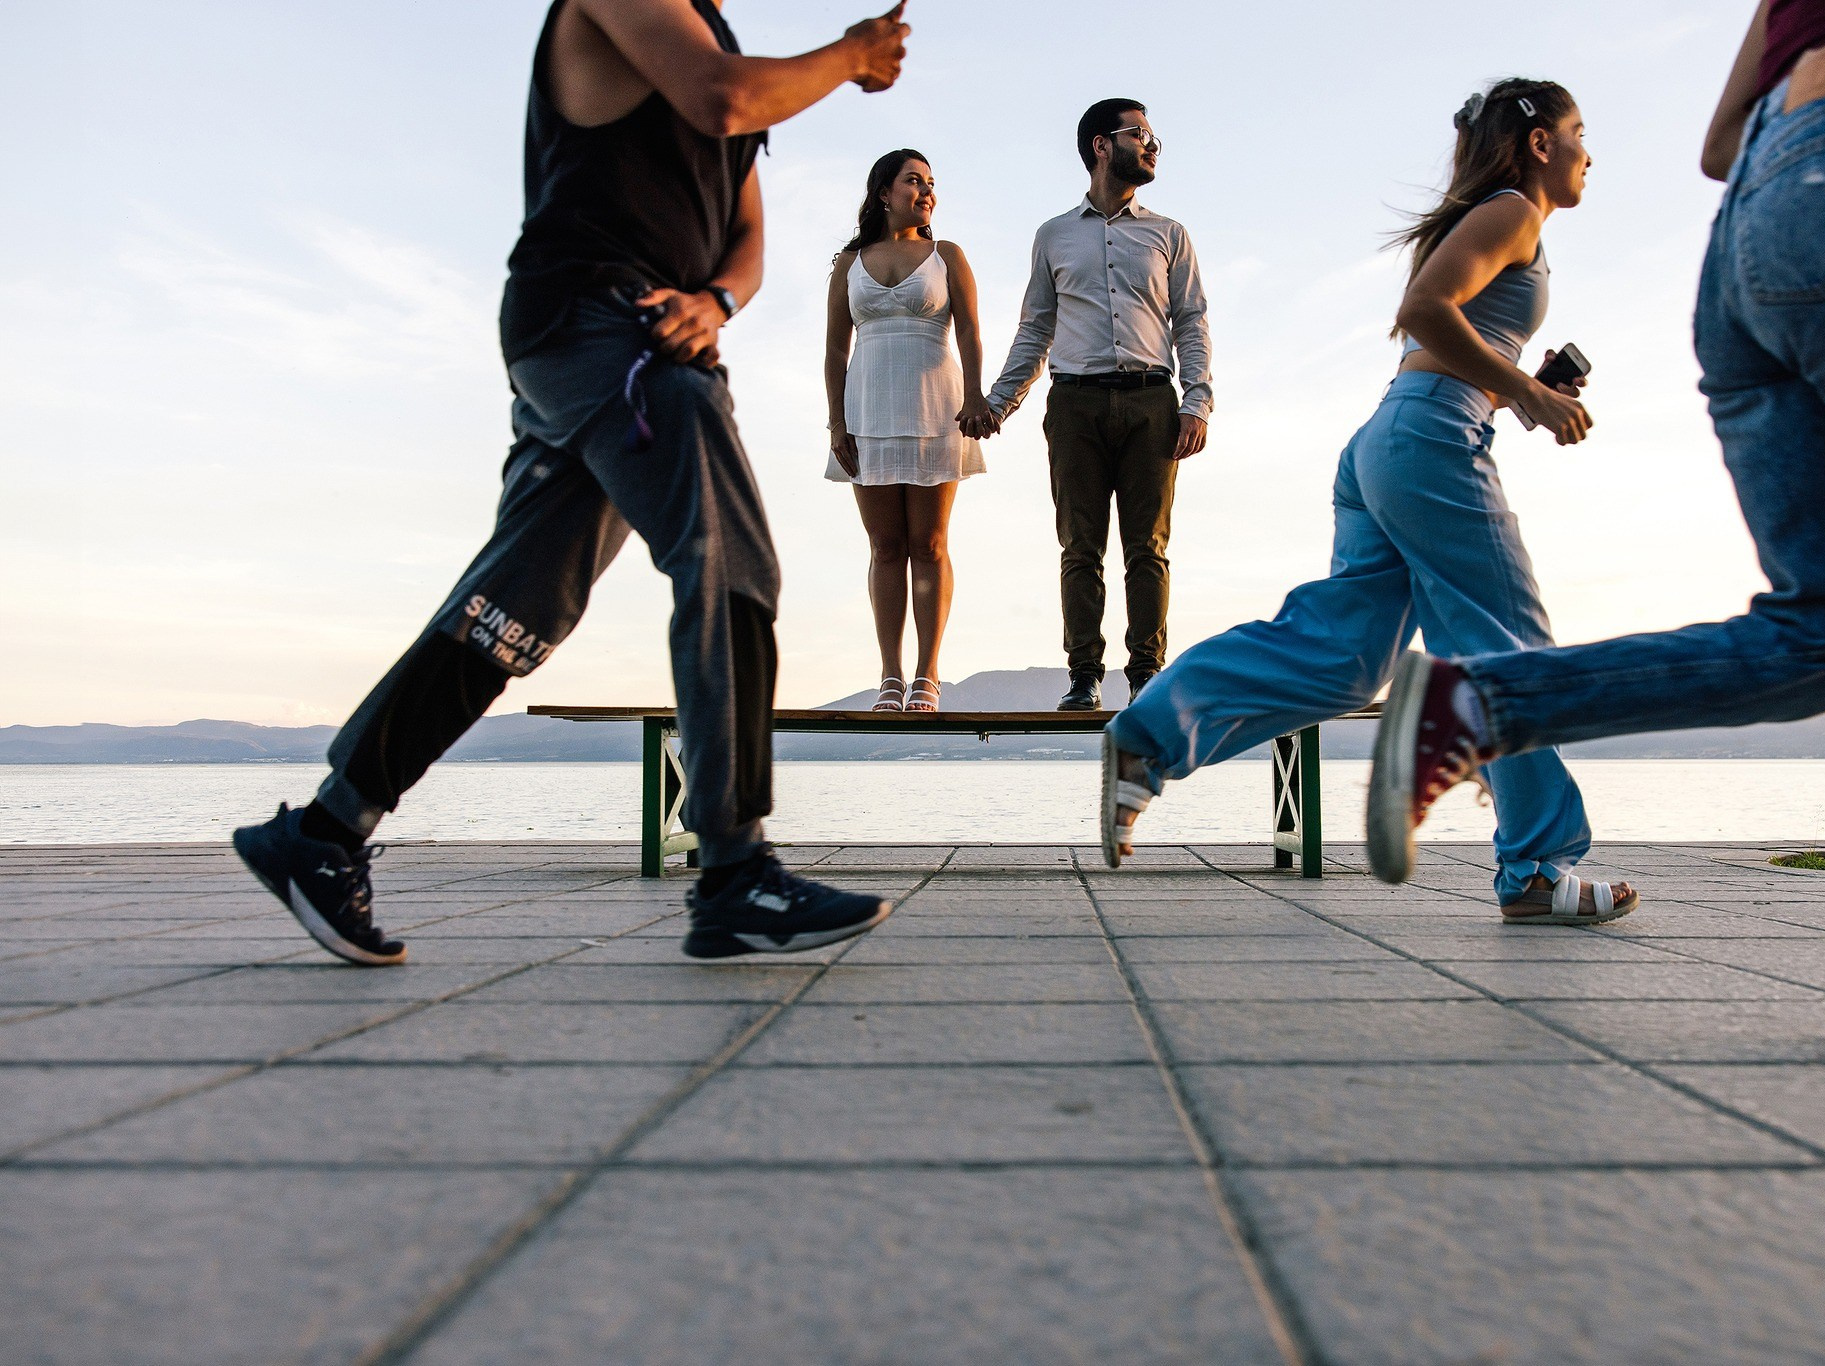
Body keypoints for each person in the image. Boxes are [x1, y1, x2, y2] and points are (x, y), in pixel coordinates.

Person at [1369, 0, 1825, 1042]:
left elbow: (1719, 141)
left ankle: (1478, 705)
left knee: (1824, 635)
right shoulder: (1511, 214)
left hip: (1752, 233)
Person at [232, 0, 915, 966]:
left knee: (518, 606)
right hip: (599, 319)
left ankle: (326, 832)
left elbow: (746, 232)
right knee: (727, 559)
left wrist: (718, 297)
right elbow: (722, 101)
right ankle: (734, 874)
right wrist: (850, 56)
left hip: (633, 338)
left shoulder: (721, 42)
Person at [1101, 80, 1636, 924]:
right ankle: (1535, 868)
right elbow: (1423, 310)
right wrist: (1525, 395)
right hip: (1429, 439)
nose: (1588, 152)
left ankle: (1150, 735)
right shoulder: (1515, 212)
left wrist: (1520, 388)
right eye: (1578, 133)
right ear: (1539, 143)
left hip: (1392, 439)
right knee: (1509, 652)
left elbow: (1443, 338)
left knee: (1345, 657)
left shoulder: (1496, 215)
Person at [971, 99, 1213, 711]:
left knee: (1147, 548)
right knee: (1080, 547)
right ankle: (1084, 678)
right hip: (1074, 404)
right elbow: (1035, 327)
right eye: (1142, 135)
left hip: (1153, 402)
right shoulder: (1053, 236)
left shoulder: (1168, 234)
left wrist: (1198, 401)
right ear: (1102, 145)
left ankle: (1146, 677)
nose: (1154, 147)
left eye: (1155, 137)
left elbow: (1191, 321)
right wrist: (1000, 403)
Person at [825, 149, 990, 713]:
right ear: (884, 192)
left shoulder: (947, 256)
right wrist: (835, 424)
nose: (925, 191)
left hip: (935, 409)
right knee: (885, 545)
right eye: (913, 181)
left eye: (930, 183)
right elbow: (833, 349)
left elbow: (968, 331)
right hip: (866, 411)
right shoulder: (849, 262)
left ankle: (928, 674)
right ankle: (890, 675)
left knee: (932, 544)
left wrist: (975, 395)